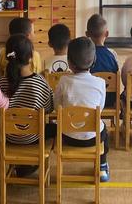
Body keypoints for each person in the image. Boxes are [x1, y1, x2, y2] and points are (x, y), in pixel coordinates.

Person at [54, 37, 110, 182]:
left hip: (67, 137)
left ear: (69, 62)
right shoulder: (100, 83)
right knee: (104, 129)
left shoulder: (63, 81)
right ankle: (102, 166)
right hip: (93, 139)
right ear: (94, 60)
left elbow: (57, 107)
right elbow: (100, 108)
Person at [0, 34, 54, 144]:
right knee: (54, 127)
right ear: (30, 58)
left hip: (8, 137)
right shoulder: (40, 82)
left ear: (7, 57)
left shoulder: (1, 82)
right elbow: (49, 108)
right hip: (33, 137)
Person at [87, 14, 119, 107]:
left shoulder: (86, 55)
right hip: (110, 99)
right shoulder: (112, 54)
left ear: (87, 34)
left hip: (91, 99)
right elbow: (117, 74)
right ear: (107, 33)